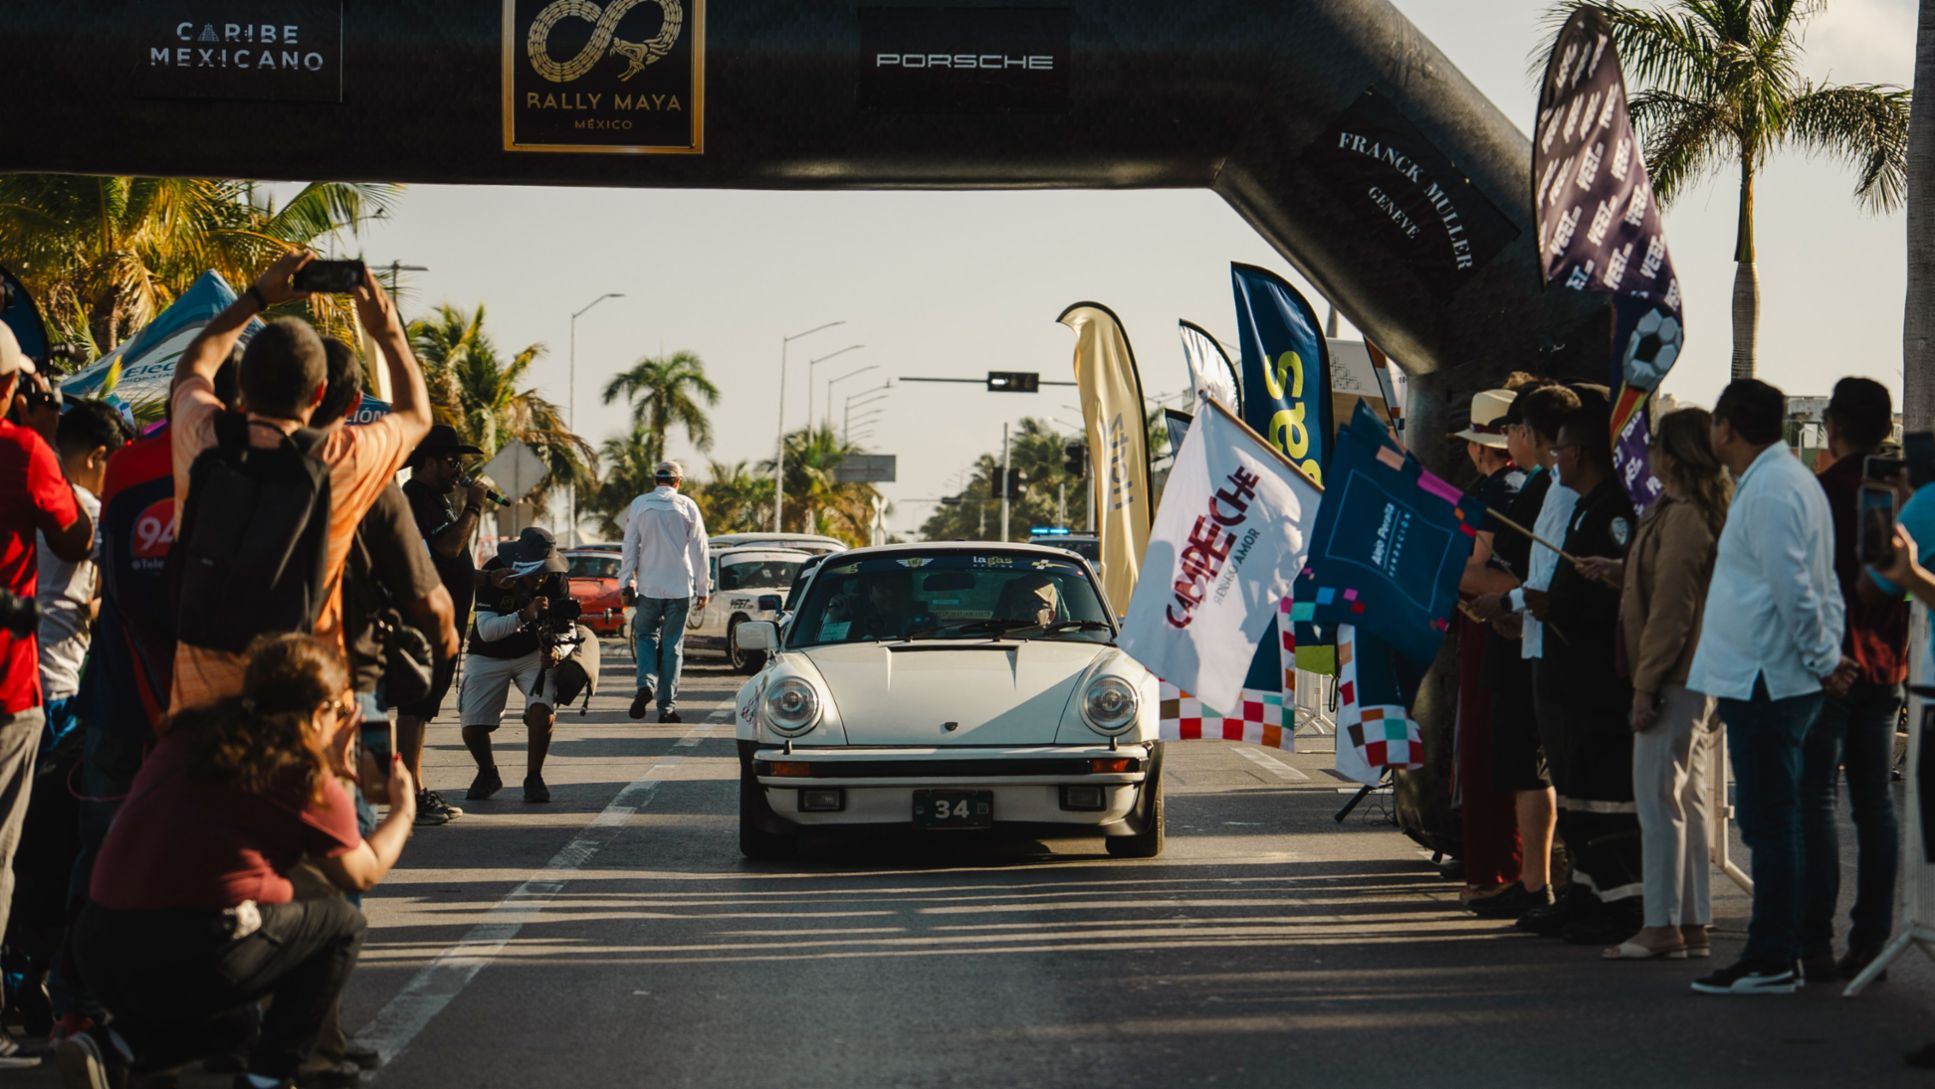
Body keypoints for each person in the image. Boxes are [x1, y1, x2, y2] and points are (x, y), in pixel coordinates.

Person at [61, 634, 416, 1089]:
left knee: (237, 1027)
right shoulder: (299, 770)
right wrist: (403, 808)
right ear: (317, 712)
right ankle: (267, 1080)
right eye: (341, 711)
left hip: (98, 942)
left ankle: (116, 1047)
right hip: (188, 949)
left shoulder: (191, 733)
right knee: (340, 923)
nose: (344, 722)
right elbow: (362, 871)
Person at [167, 250, 432, 710]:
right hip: (304, 717)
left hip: (199, 720)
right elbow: (416, 416)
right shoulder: (340, 460)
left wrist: (256, 296)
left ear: (241, 388)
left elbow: (194, 365)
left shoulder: (201, 439)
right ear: (321, 394)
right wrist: (386, 332)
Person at [1688, 378, 1852, 996]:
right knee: (1784, 819)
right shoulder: (1781, 482)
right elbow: (1816, 582)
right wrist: (1824, 657)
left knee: (1771, 822)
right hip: (1770, 674)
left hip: (1767, 678)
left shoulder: (1773, 489)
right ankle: (1783, 950)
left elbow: (1796, 588)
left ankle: (1772, 957)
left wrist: (1821, 657)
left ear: (1727, 426)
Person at [1589, 407, 1729, 960]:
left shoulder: (1685, 515)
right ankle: (1690, 919)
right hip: (1691, 675)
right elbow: (1666, 581)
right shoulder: (1681, 511)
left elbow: (1673, 607)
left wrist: (1645, 685)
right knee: (1686, 800)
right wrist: (1620, 571)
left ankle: (1662, 922)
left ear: (1672, 454)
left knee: (1657, 800)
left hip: (1674, 675)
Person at [317, 342, 463, 828]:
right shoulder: (368, 477)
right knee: (361, 808)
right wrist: (384, 329)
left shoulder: (233, 467)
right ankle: (397, 805)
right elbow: (428, 590)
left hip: (263, 673)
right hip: (351, 672)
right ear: (352, 405)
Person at [0, 326, 91, 1066]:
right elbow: (74, 537)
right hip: (8, 684)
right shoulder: (22, 451)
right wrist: (43, 432)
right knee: (8, 856)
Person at [1801, 377, 1908, 983]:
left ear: (1833, 427)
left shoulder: (1821, 492)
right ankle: (1871, 942)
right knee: (1874, 807)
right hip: (1887, 662)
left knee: (1816, 801)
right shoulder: (1904, 490)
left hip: (1827, 664)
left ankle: (1814, 940)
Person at [1529, 399, 1643, 946]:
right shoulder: (1584, 506)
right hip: (1570, 676)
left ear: (1575, 452)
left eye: (1558, 451)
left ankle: (1619, 905)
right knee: (1576, 796)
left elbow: (1620, 599)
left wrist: (1560, 607)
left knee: (1604, 800)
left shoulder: (1613, 510)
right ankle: (1583, 892)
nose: (1554, 461)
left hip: (1599, 680)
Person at [1468, 382, 1579, 925]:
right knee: (1526, 767)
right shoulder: (1543, 484)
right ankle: (1535, 881)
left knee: (1538, 768)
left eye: (1513, 428)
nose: (1509, 438)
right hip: (1527, 634)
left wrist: (1507, 600)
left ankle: (1542, 883)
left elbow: (1538, 575)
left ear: (1530, 433)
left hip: (1543, 641)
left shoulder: (1546, 487)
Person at [1452, 388, 1525, 905]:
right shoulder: (1525, 486)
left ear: (1481, 447)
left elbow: (1484, 573)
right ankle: (1505, 868)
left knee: (1489, 754)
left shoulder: (1496, 493)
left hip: (1497, 626)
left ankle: (1496, 872)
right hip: (1515, 625)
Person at [399, 423, 489, 818]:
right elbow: (449, 548)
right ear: (429, 462)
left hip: (444, 618)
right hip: (424, 620)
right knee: (414, 705)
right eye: (452, 462)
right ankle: (409, 793)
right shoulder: (417, 496)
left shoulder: (437, 497)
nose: (458, 470)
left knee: (425, 706)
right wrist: (474, 506)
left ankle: (415, 789)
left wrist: (484, 578)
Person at [460, 528, 573, 803]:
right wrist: (525, 615)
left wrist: (558, 651)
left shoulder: (556, 580)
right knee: (473, 727)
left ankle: (534, 777)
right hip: (487, 654)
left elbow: (569, 628)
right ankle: (488, 772)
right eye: (537, 572)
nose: (542, 577)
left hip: (531, 655)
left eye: (546, 570)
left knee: (542, 710)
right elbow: (486, 630)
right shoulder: (495, 571)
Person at [38, 401, 128, 741]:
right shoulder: (87, 510)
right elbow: (125, 586)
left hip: (19, 674)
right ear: (96, 456)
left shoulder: (35, 491)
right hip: (54, 681)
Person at [618, 461, 708, 724]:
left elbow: (630, 544)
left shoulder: (640, 504)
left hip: (649, 587)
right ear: (678, 482)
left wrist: (625, 582)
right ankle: (666, 708)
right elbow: (700, 549)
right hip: (680, 588)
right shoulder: (687, 505)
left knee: (645, 636)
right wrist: (703, 587)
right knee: (673, 646)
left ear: (655, 480)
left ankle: (645, 683)